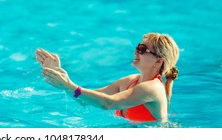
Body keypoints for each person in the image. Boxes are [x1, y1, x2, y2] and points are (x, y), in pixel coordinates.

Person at [36, 32, 180, 122]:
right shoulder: (130, 81)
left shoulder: (153, 88)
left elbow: (107, 104)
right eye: (137, 47)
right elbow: (86, 101)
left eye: (142, 49)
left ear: (158, 61)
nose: (136, 52)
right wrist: (61, 80)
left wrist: (69, 85)